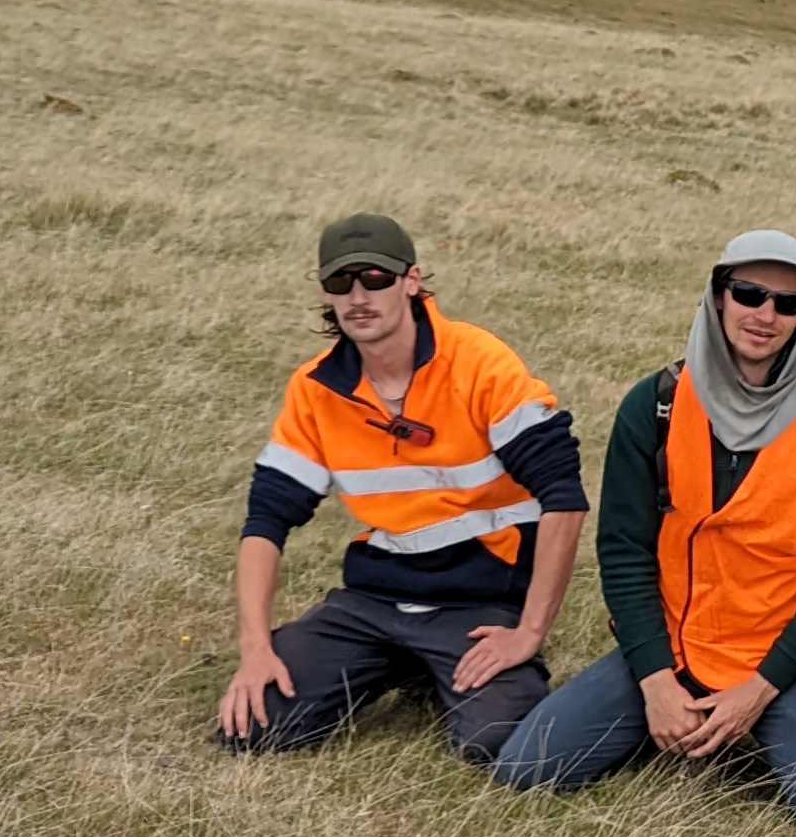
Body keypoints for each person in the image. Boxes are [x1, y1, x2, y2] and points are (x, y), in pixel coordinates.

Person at [492, 232, 796, 826]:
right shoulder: (654, 405)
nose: (765, 314)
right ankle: (668, 715)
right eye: (749, 293)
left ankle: (735, 720)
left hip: (780, 659)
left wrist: (760, 689)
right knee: (526, 769)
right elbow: (623, 552)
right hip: (671, 648)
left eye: (789, 302)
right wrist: (654, 679)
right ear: (718, 296)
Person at [220, 214, 588, 765]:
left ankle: (436, 666)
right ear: (326, 290)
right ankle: (399, 662)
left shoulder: (479, 362)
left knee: (499, 742)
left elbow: (565, 495)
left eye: (376, 278)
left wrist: (529, 631)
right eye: (342, 283)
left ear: (411, 281)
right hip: (373, 599)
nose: (359, 296)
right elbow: (265, 522)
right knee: (251, 729)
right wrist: (255, 649)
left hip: (479, 600)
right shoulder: (316, 388)